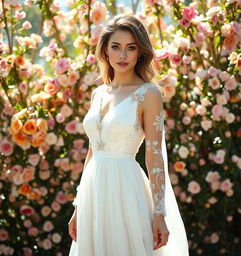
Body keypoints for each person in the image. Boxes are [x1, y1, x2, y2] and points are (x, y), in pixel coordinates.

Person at [68, 14, 189, 256]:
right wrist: (78, 206)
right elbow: (93, 152)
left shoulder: (149, 93)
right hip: (94, 193)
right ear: (105, 50)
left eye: (130, 48)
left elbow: (154, 157)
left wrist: (159, 213)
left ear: (140, 52)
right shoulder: (98, 93)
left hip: (126, 190)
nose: (123, 56)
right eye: (116, 47)